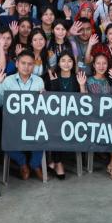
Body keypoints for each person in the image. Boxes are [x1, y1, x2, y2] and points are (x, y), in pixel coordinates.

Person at [0, 52, 46, 180]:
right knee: (5, 142)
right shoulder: (7, 81)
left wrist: (44, 97)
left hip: (33, 123)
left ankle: (34, 164)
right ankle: (22, 163)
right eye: (23, 63)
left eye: (30, 64)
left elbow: (43, 107)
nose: (26, 67)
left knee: (44, 136)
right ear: (17, 64)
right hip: (13, 124)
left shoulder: (39, 81)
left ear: (33, 66)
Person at [80, 53, 112, 180]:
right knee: (110, 129)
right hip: (94, 119)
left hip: (111, 118)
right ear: (94, 65)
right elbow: (83, 103)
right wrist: (81, 85)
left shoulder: (111, 80)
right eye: (98, 63)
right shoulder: (89, 81)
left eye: (104, 63)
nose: (101, 66)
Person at [45, 51, 80, 179]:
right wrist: (53, 84)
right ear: (58, 63)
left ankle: (55, 161)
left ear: (73, 63)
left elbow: (83, 102)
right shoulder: (51, 76)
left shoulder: (78, 77)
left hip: (73, 117)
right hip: (55, 117)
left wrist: (82, 85)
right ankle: (58, 162)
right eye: (63, 60)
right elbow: (50, 100)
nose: (66, 63)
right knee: (57, 127)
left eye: (69, 61)